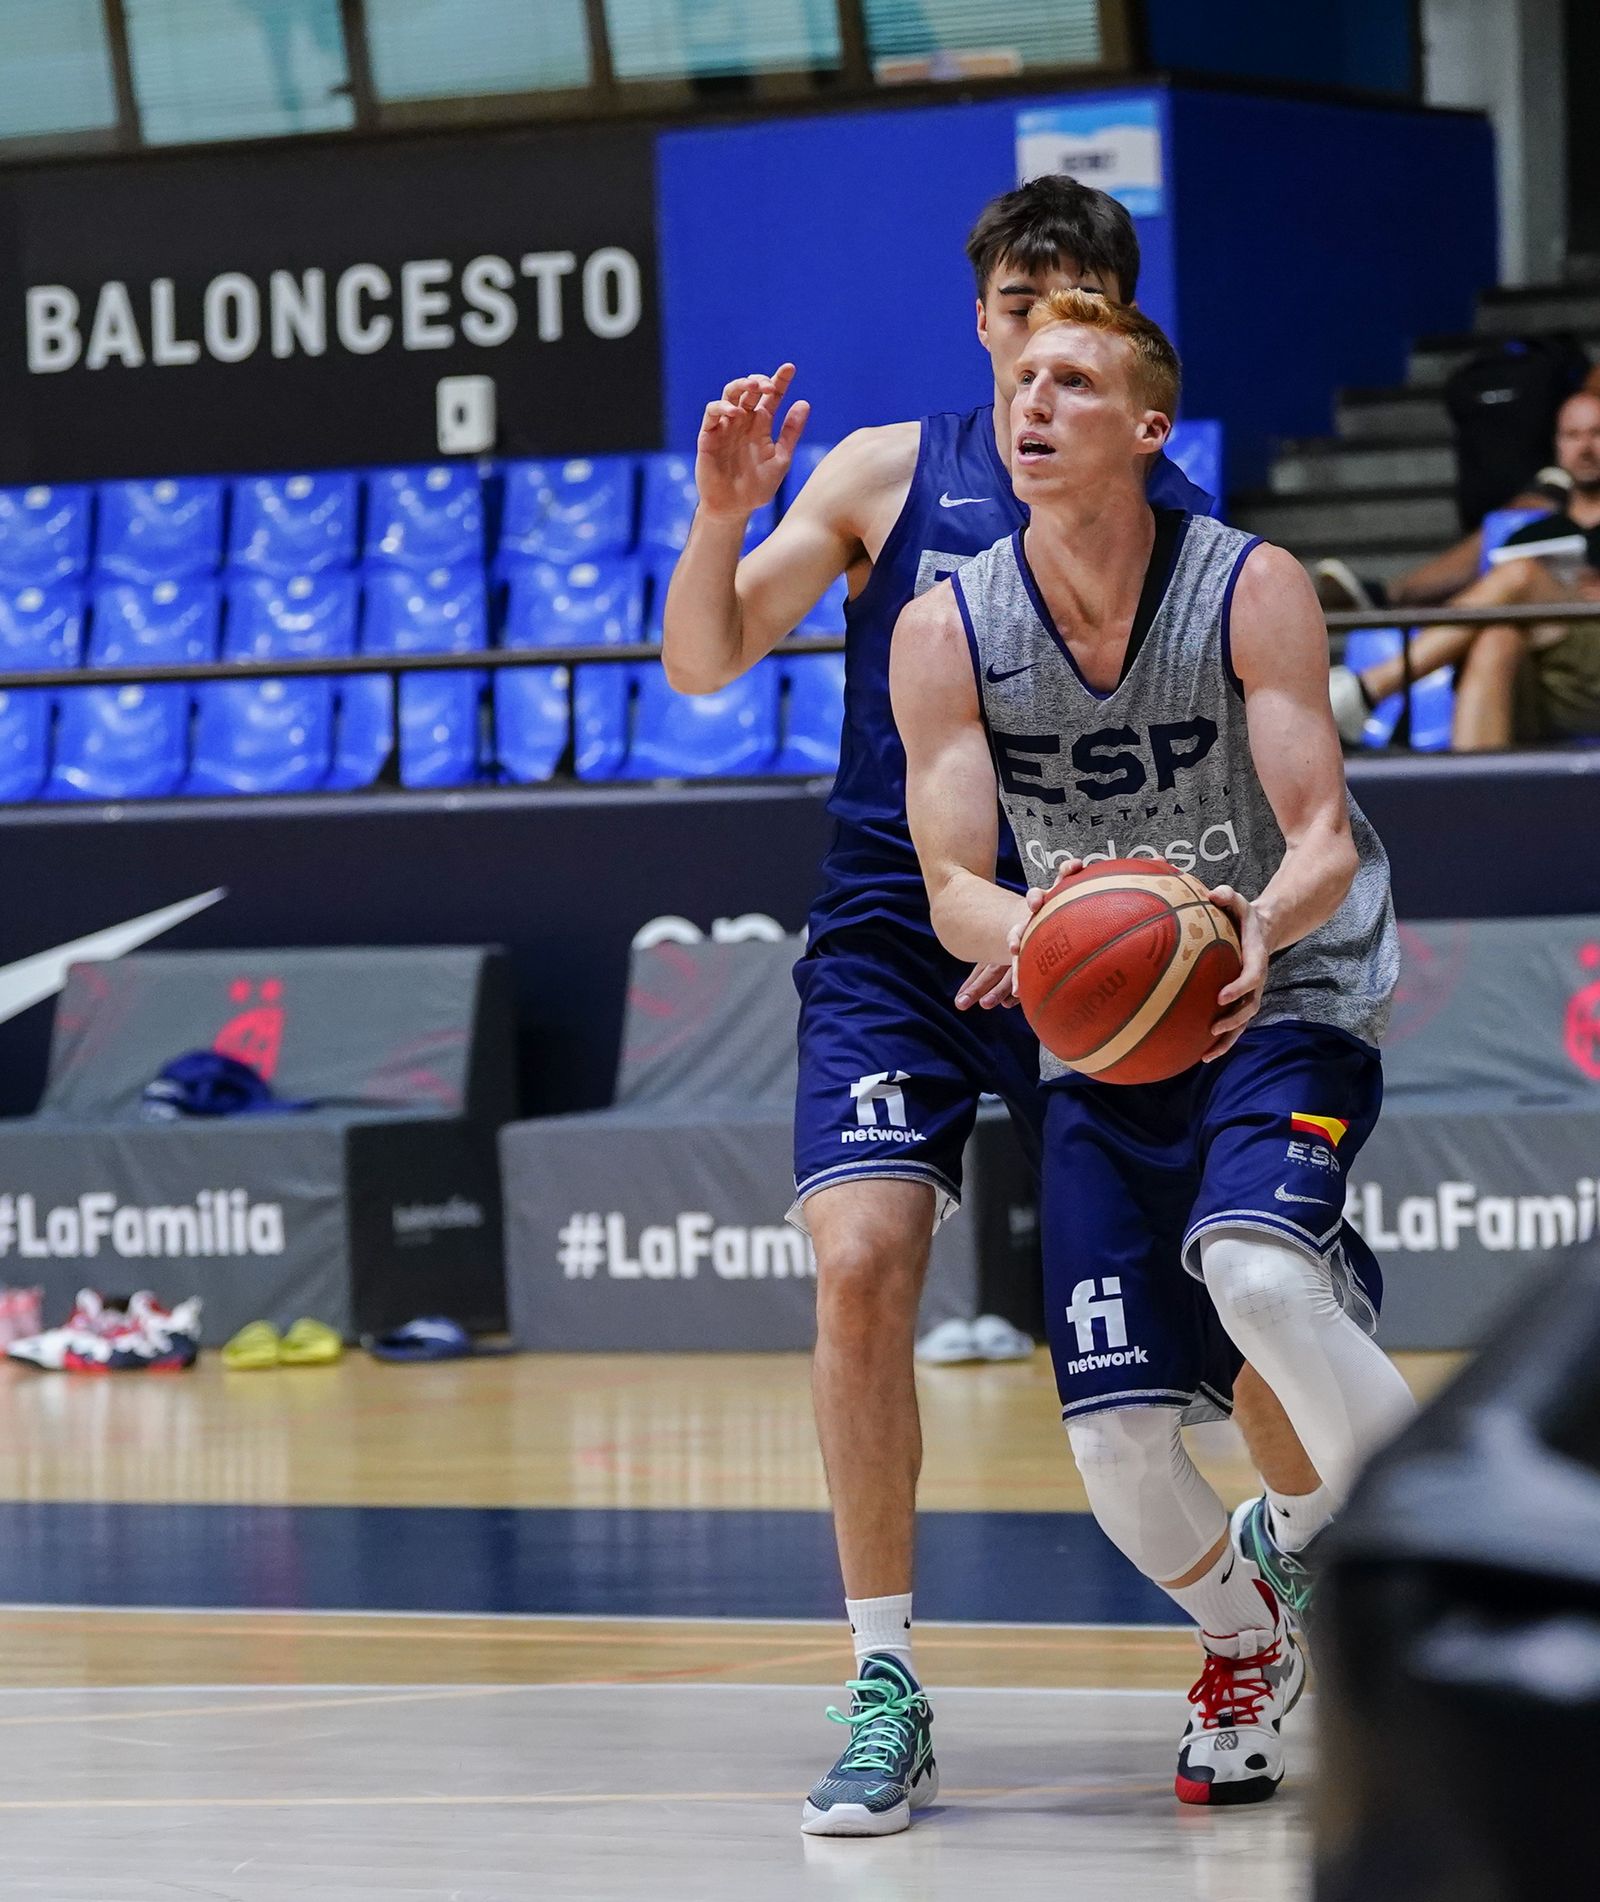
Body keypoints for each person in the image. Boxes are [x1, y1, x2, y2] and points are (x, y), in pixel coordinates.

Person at [663, 178, 1328, 1840]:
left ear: (1121, 319)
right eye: (1019, 305)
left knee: (1205, 1306)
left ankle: (1297, 1556)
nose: (1043, 338)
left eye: (1075, 303)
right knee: (864, 1255)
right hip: (908, 925)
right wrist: (720, 518)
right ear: (983, 319)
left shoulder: (1174, 513)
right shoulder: (889, 471)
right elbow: (704, 660)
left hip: (1107, 937)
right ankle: (884, 1673)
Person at [890, 289, 1417, 1804]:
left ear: (1146, 427)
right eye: (1020, 379)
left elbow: (1318, 836)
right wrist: (1041, 931)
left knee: (1256, 1280)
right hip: (1104, 1040)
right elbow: (950, 889)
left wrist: (1248, 918)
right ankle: (1248, 1634)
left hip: (1278, 987)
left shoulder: (1249, 586)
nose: (1032, 402)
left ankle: (1461, 1565)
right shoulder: (948, 627)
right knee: (1119, 1448)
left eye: (1072, 380)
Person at [1329, 390, 1600, 748]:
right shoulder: (1532, 532)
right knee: (1495, 636)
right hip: (1536, 677)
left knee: (1520, 576)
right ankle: (1473, 799)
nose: (1585, 446)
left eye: (1597, 433)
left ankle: (1368, 688)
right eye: (1573, 435)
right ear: (1557, 445)